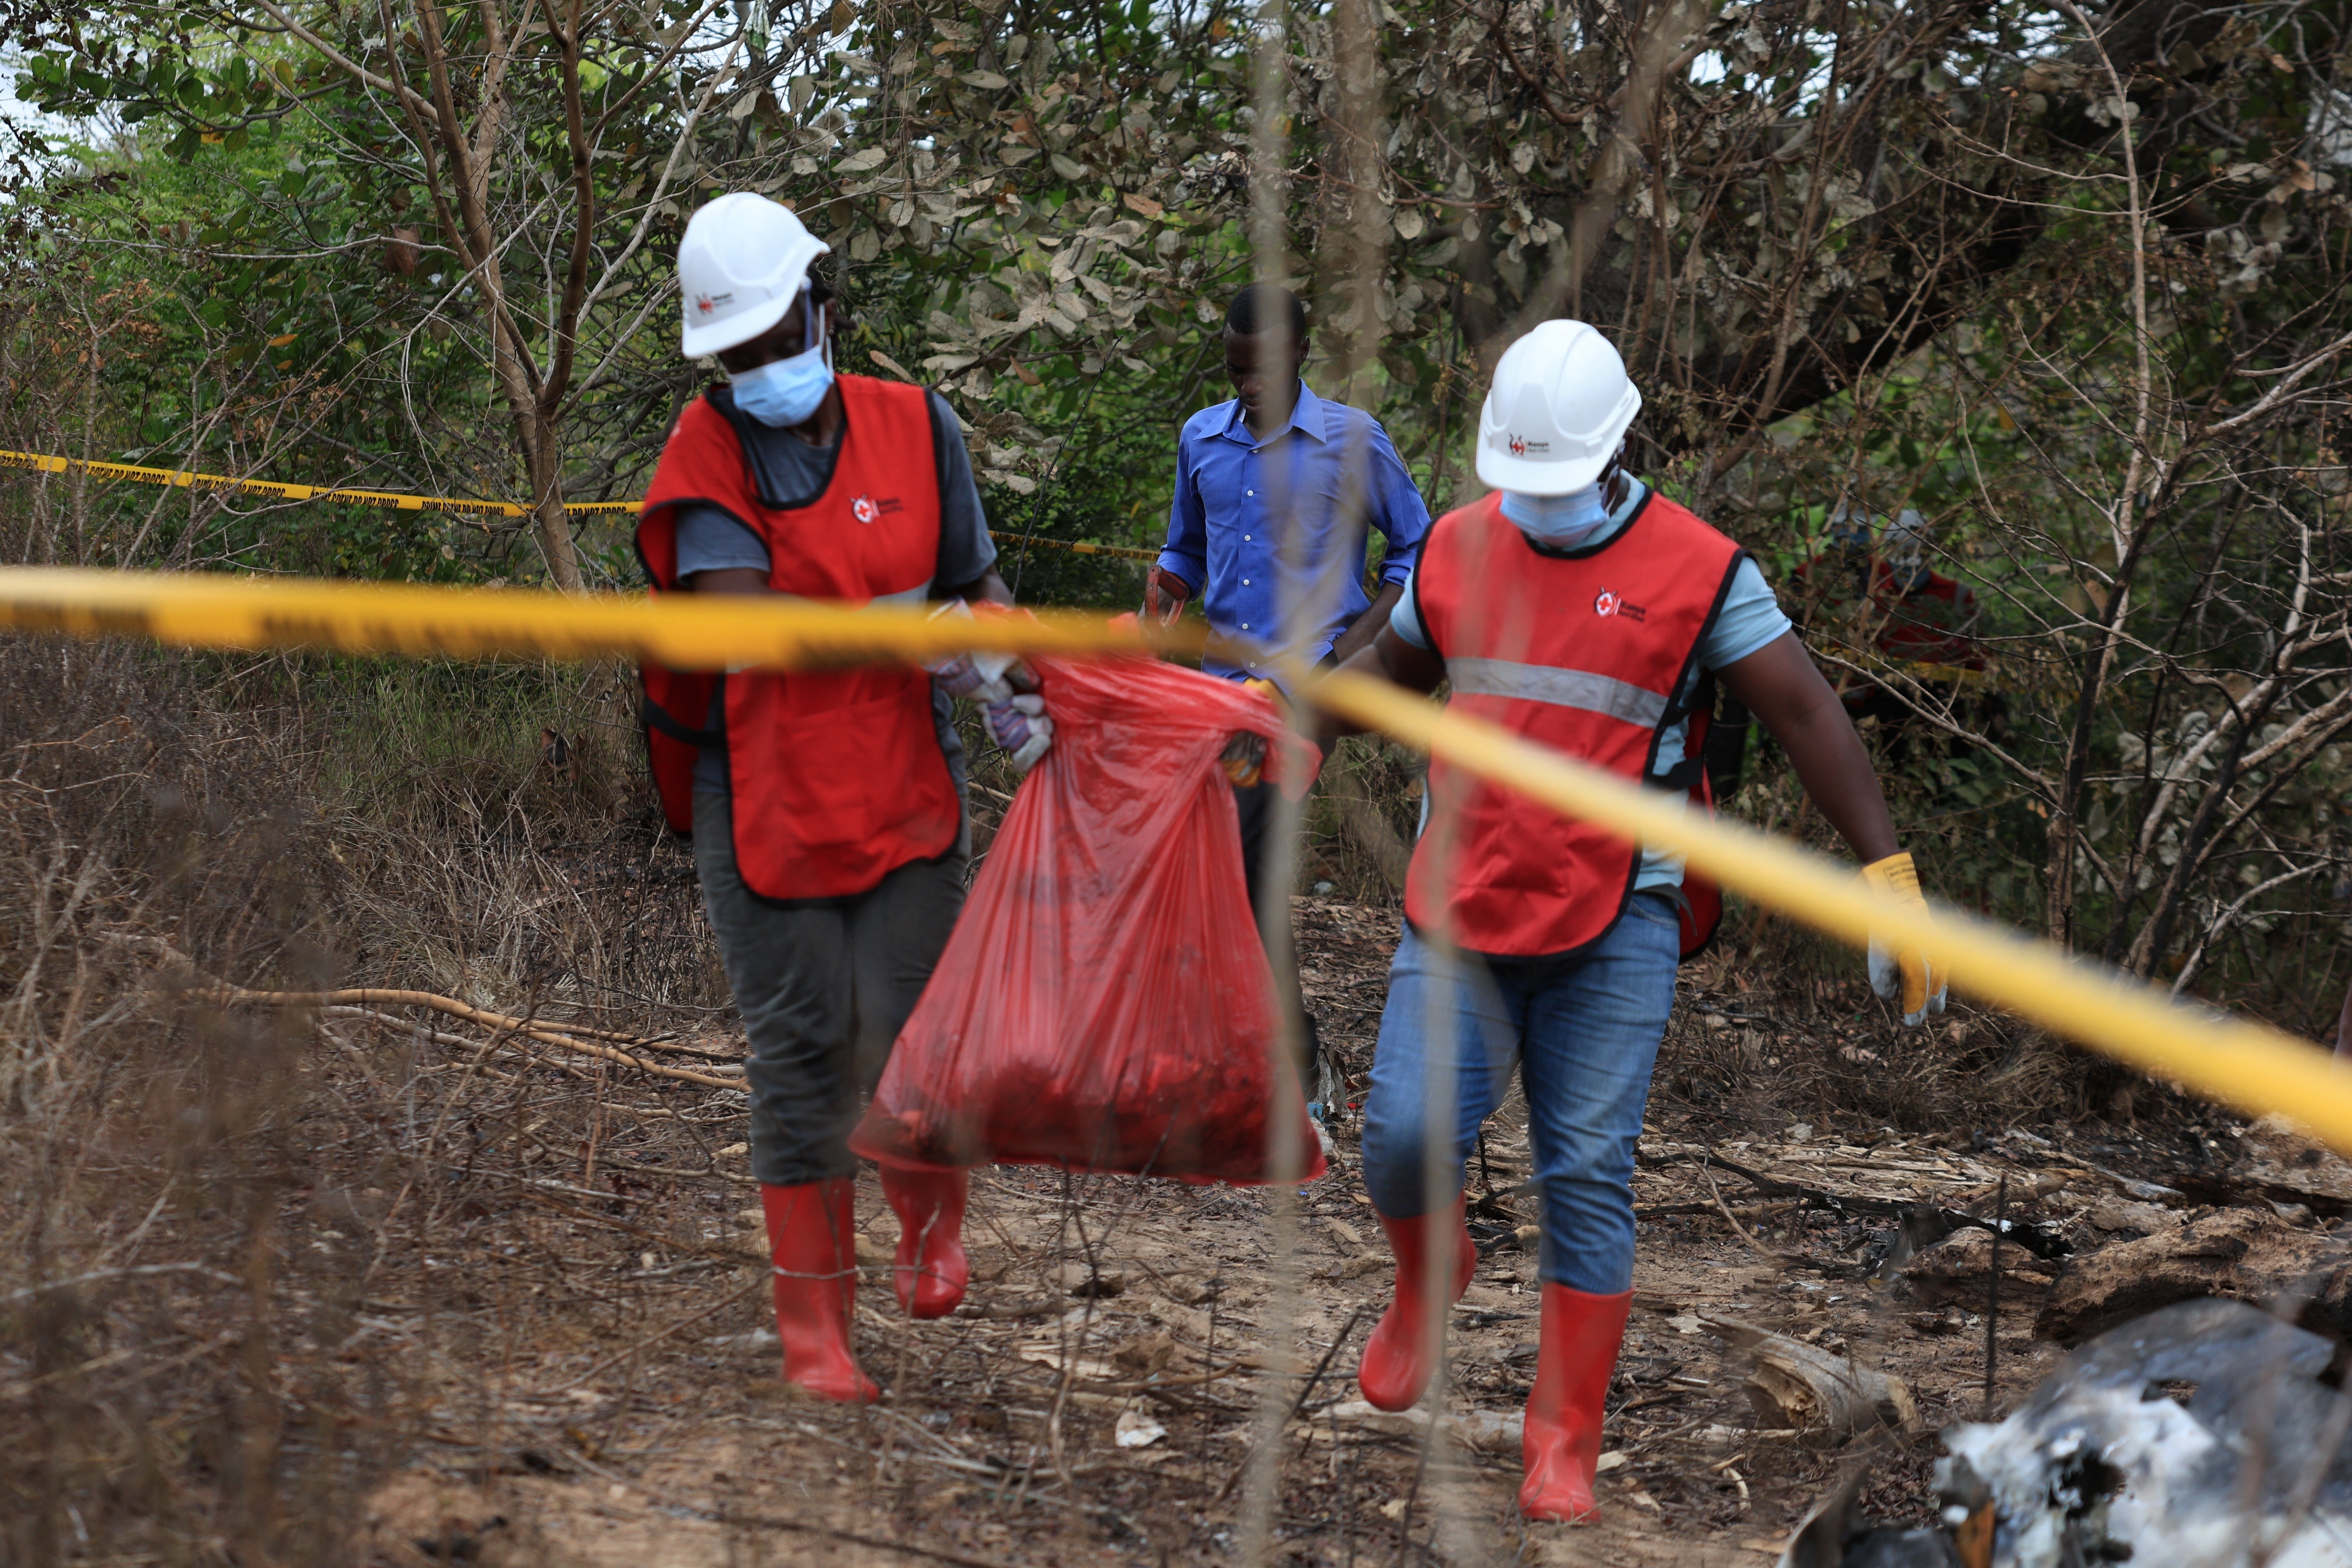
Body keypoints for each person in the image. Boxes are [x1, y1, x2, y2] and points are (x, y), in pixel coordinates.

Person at [1319, 321, 1948, 1521]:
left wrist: (1888, 877)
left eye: (1557, 486)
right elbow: (1383, 676)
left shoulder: (1704, 570)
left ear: (1616, 451)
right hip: (1462, 897)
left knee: (1587, 1173)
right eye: (1522, 486)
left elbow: (1811, 717)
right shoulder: (1456, 548)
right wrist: (1292, 718)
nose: (1537, 508)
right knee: (1403, 1136)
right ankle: (1425, 1282)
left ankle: (1561, 1439)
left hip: (1621, 914)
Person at [634, 192, 1048, 1403]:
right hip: (764, 791)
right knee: (805, 1055)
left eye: (782, 336)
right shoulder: (703, 456)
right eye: (741, 354)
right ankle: (816, 1330)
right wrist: (905, 632)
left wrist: (1021, 667)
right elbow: (741, 628)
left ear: (824, 306)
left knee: (911, 1034)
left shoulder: (920, 429)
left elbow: (977, 584)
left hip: (905, 784)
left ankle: (932, 1228)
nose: (768, 369)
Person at [1147, 284, 1433, 1096]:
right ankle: (1268, 1056)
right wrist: (1168, 585)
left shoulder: (1353, 442)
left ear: (1302, 353)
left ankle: (1288, 1070)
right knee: (1225, 873)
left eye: (1263, 368)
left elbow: (1416, 551)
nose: (1249, 386)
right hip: (1218, 692)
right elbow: (1186, 550)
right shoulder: (1201, 439)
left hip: (1302, 695)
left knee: (1238, 863)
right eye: (1236, 371)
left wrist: (1349, 648)